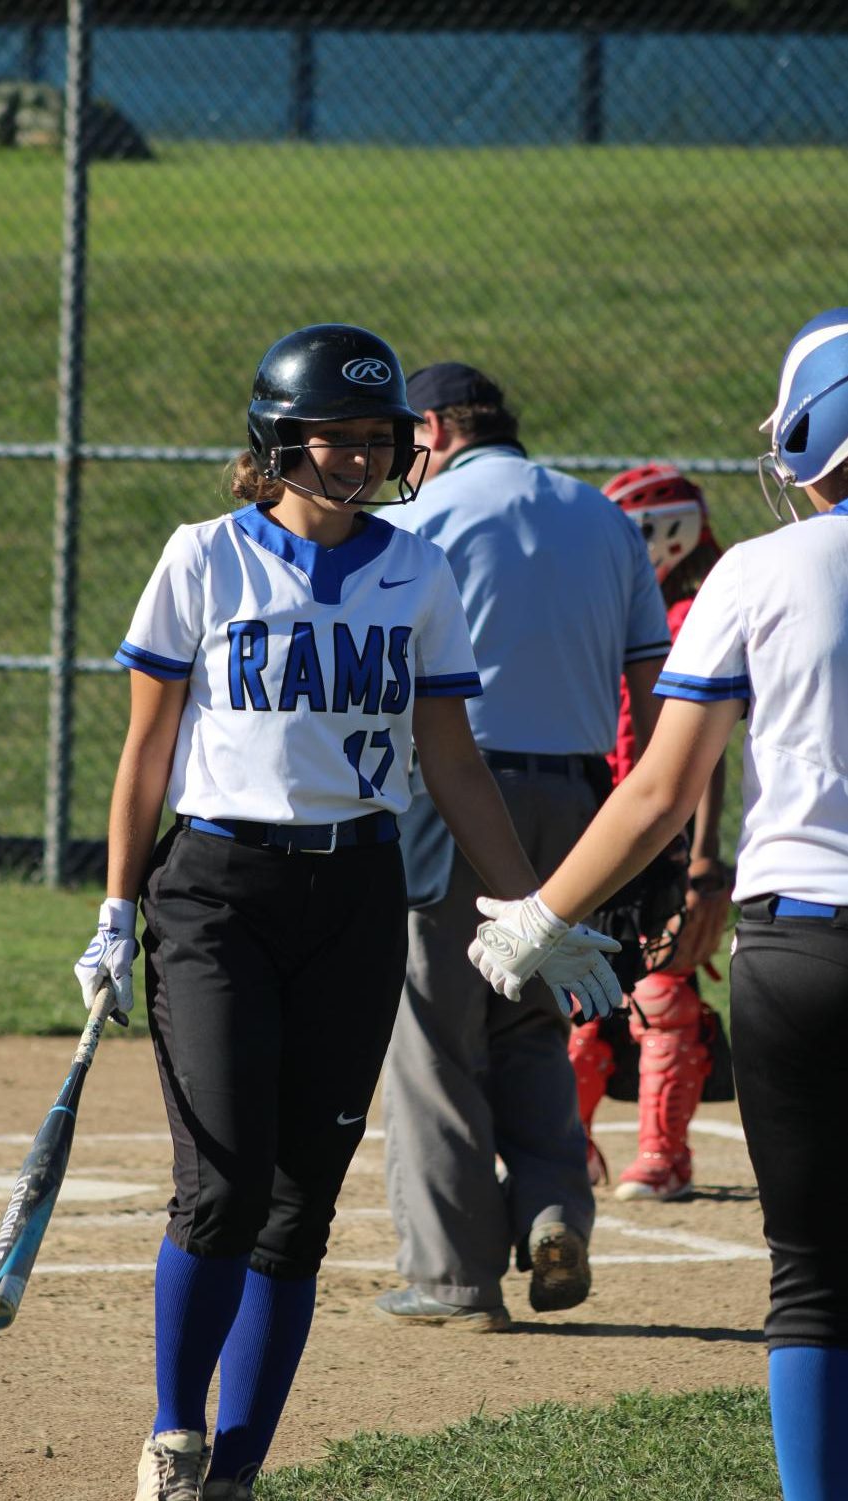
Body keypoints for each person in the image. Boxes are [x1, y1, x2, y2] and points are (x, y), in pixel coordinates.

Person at [73, 324, 621, 1501]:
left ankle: (241, 1468)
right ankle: (175, 1434)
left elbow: (451, 759)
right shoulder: (203, 558)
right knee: (220, 1185)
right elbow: (142, 753)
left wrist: (527, 905)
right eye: (339, 437)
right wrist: (117, 911)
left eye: (379, 438)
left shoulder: (414, 567)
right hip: (217, 894)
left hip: (360, 891)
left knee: (297, 1207)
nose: (363, 458)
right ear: (277, 440)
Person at [471, 307, 848, 1501]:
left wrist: (535, 913)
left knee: (812, 1278)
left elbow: (655, 790)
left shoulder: (762, 568)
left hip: (805, 948)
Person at [372, 361, 671, 1333]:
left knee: (432, 1030)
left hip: (452, 791)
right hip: (584, 805)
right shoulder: (601, 515)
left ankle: (452, 1276)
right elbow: (651, 683)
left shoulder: (418, 522)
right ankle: (550, 1209)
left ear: (432, 426)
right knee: (534, 1020)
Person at [568, 465, 735, 1202]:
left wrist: (700, 859)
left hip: (658, 839)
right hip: (601, 827)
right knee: (577, 997)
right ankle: (565, 1145)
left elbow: (704, 759)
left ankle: (664, 1154)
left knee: (663, 995)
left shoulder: (693, 616)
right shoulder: (618, 612)